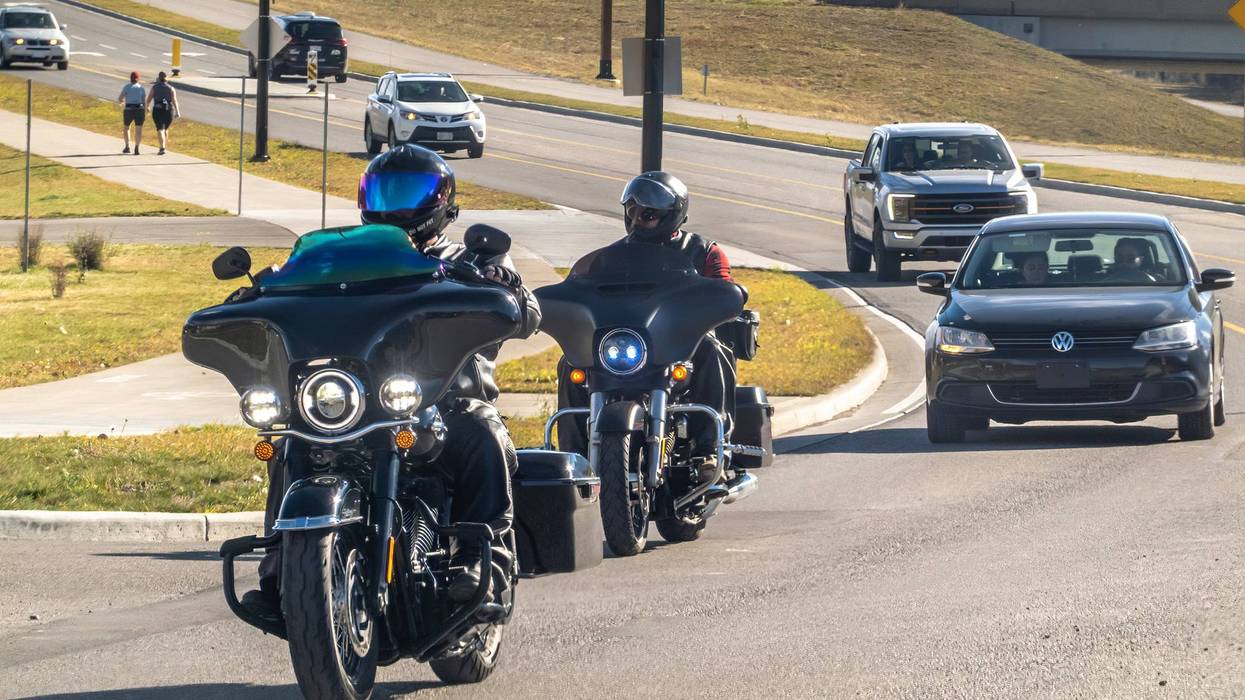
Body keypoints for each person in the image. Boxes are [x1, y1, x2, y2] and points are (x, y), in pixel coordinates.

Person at [241, 145, 542, 620]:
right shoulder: (347, 261)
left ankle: (487, 565)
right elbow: (294, 283)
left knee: (483, 433)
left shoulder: (462, 259)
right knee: (289, 444)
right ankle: (281, 567)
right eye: (385, 191)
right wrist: (261, 288)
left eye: (412, 192)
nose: (396, 205)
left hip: (445, 399)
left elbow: (528, 312)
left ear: (444, 202)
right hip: (361, 401)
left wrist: (505, 284)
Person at [556, 171, 738, 466]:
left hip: (681, 343)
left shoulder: (704, 252)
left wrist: (726, 295)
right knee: (571, 362)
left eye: (648, 214)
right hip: (624, 346)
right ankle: (573, 455)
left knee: (712, 347)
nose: (638, 220)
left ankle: (711, 448)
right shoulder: (610, 257)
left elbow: (725, 289)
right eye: (633, 211)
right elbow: (579, 289)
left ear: (671, 215)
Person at [144, 72, 180, 156]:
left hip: (158, 109)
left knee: (160, 128)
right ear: (166, 79)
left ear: (158, 79)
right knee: (165, 129)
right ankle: (164, 146)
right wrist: (177, 111)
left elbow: (149, 99)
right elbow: (174, 100)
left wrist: (147, 107)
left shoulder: (155, 87)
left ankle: (162, 148)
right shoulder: (171, 88)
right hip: (169, 110)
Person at [117, 71, 145, 155]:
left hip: (129, 109)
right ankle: (137, 147)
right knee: (138, 129)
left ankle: (127, 146)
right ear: (138, 79)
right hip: (139, 109)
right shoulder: (141, 88)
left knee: (126, 127)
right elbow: (144, 101)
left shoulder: (127, 87)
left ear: (130, 78)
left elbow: (120, 98)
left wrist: (122, 102)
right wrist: (144, 110)